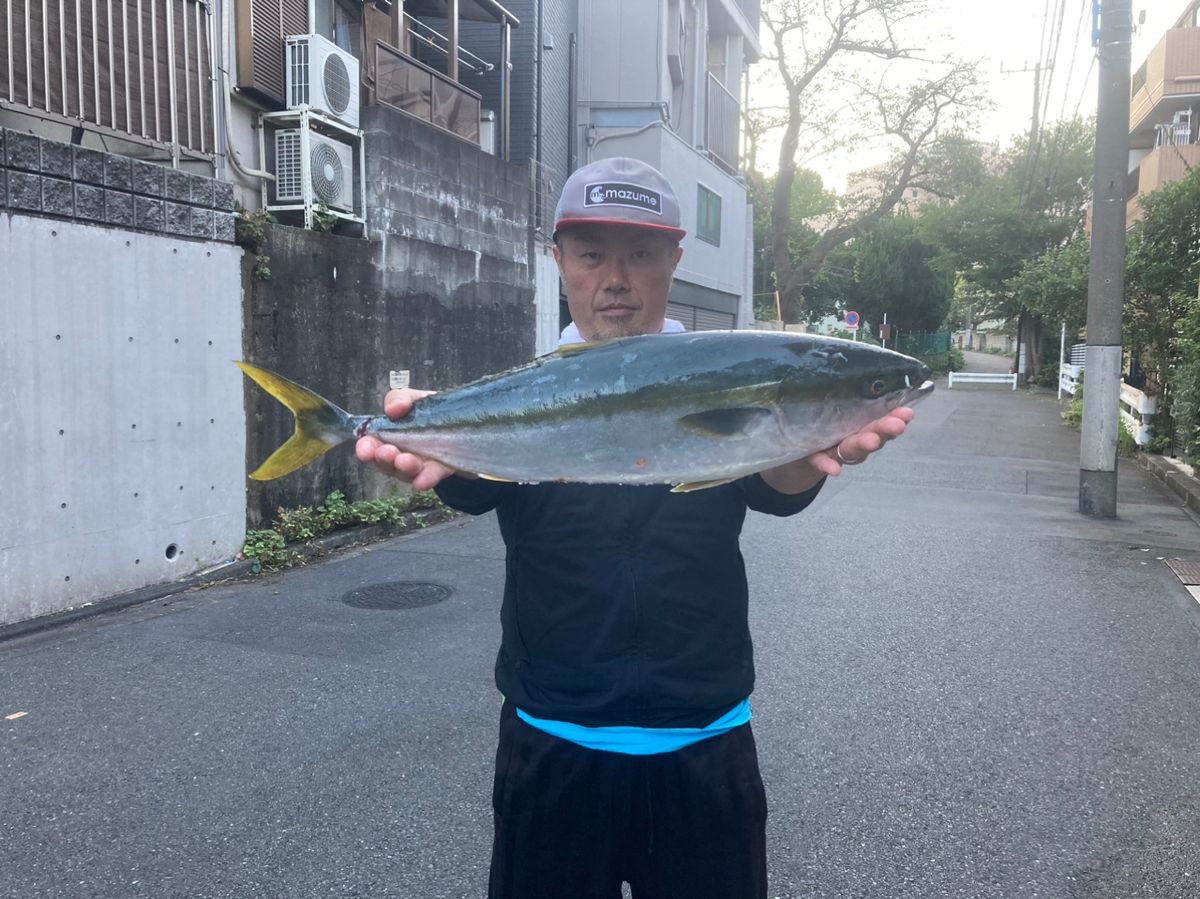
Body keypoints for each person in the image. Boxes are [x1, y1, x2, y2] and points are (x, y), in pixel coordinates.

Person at [356, 157, 913, 898]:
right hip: (551, 743)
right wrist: (421, 443)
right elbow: (472, 486)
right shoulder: (527, 390)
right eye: (591, 254)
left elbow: (775, 486)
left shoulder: (724, 371)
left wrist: (810, 449)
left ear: (674, 261)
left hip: (705, 744)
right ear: (559, 262)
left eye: (640, 254)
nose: (615, 279)